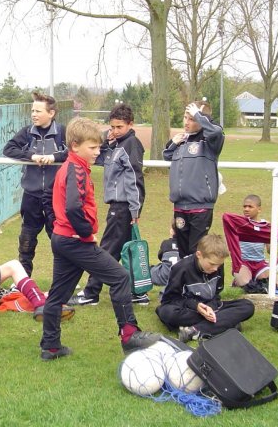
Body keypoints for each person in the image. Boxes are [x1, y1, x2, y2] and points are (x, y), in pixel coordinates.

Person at [39, 117, 160, 362]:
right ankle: (129, 334)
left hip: (63, 239)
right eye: (92, 147)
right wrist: (85, 233)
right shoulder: (75, 170)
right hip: (75, 241)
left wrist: (60, 227)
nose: (97, 152)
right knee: (120, 277)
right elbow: (73, 207)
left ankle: (50, 347)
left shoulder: (72, 166)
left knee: (58, 295)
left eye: (98, 147)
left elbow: (50, 197)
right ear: (75, 146)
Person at [69, 103, 148, 306]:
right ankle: (139, 292)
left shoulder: (131, 144)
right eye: (112, 126)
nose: (115, 130)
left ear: (131, 124)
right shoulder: (116, 144)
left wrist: (134, 209)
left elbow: (134, 178)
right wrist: (107, 137)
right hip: (119, 206)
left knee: (106, 250)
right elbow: (98, 155)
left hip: (123, 207)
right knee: (125, 249)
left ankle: (91, 292)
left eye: (119, 127)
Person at [2, 91, 68, 277]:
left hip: (55, 196)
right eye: (32, 110)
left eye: (38, 111)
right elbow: (9, 149)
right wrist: (32, 156)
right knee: (27, 240)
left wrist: (54, 157)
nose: (34, 114)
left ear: (51, 113)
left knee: (59, 239)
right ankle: (23, 280)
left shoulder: (62, 132)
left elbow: (74, 151)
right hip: (31, 195)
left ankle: (63, 281)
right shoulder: (27, 133)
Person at [156, 234, 255, 343]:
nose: (215, 268)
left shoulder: (217, 266)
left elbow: (216, 294)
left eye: (219, 265)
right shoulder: (181, 268)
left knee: (247, 306)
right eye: (212, 264)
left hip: (211, 307)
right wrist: (196, 306)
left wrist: (211, 307)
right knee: (167, 312)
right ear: (199, 255)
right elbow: (170, 300)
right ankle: (226, 323)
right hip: (189, 309)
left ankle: (195, 330)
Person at [163, 100, 224, 259]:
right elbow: (166, 156)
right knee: (183, 252)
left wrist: (199, 114)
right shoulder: (182, 140)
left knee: (196, 252)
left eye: (192, 119)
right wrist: (173, 143)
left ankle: (200, 276)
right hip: (180, 206)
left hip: (200, 206)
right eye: (185, 117)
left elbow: (216, 132)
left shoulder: (209, 141)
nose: (187, 122)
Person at [222, 195, 278, 292]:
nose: (246, 209)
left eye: (250, 207)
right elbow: (229, 241)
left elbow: (270, 250)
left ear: (259, 209)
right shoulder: (238, 224)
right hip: (243, 263)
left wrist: (274, 241)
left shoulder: (265, 225)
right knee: (247, 285)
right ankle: (238, 281)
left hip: (260, 264)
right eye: (244, 206)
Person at [149, 225, 179, 296]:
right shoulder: (188, 245)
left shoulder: (166, 243)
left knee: (146, 270)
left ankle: (141, 294)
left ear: (172, 231)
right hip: (182, 277)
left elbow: (160, 257)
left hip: (164, 276)